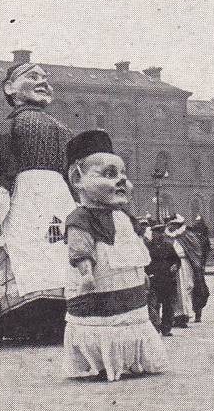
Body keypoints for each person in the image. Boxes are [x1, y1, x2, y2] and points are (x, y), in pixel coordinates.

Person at [61, 130, 168, 382]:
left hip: (129, 284)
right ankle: (99, 360)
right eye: (109, 174)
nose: (121, 181)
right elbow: (80, 246)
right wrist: (86, 272)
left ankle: (130, 359)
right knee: (102, 320)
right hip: (98, 281)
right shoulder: (82, 218)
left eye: (123, 175)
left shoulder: (124, 216)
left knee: (131, 318)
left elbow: (137, 245)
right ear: (78, 179)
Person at [0, 59, 74, 341]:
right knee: (27, 245)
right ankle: (22, 317)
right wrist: (3, 189)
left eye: (45, 77)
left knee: (59, 243)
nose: (42, 81)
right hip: (25, 191)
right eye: (33, 76)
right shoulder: (9, 124)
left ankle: (64, 309)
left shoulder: (61, 127)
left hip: (58, 192)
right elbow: (3, 160)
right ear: (10, 88)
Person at [164, 215, 207, 327]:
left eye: (174, 224)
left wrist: (196, 264)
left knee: (186, 288)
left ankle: (185, 314)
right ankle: (175, 315)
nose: (171, 226)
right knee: (174, 291)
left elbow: (196, 251)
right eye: (170, 224)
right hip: (171, 265)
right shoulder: (167, 236)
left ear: (178, 224)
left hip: (184, 265)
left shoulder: (187, 236)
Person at [145, 221, 180, 336]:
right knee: (154, 305)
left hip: (167, 280)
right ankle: (155, 327)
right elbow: (144, 263)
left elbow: (176, 260)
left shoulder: (168, 246)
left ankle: (166, 328)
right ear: (153, 234)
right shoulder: (148, 247)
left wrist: (175, 265)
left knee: (168, 305)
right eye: (157, 233)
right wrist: (148, 274)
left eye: (161, 233)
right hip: (154, 280)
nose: (160, 235)